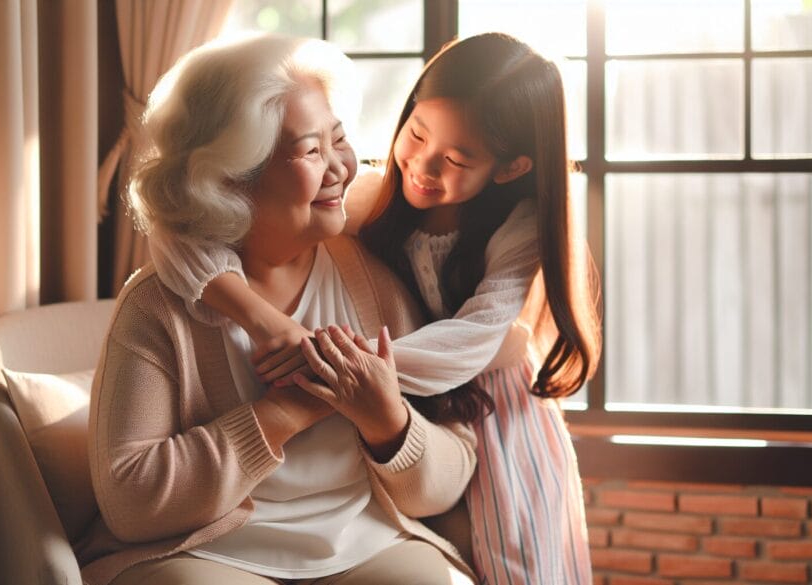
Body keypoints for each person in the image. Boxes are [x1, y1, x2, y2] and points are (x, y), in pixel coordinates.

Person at [157, 32, 603, 585]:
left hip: (495, 412)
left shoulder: (520, 232)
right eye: (416, 133)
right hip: (401, 411)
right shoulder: (369, 200)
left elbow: (471, 341)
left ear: (511, 168)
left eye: (457, 159)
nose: (422, 164)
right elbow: (174, 225)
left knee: (519, 564)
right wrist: (262, 319)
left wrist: (339, 365)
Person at [83, 34, 479, 585]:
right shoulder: (157, 307)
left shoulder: (370, 278)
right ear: (231, 180)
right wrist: (286, 413)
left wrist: (387, 419)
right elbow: (130, 501)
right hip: (207, 552)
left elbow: (453, 472)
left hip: (363, 540)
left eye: (338, 139)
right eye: (310, 151)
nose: (341, 168)